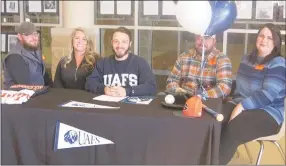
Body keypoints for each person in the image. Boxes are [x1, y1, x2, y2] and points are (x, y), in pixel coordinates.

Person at [219, 23, 285, 165]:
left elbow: (267, 95)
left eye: (270, 38)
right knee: (214, 118)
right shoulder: (246, 60)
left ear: (276, 43)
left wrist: (241, 106)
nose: (264, 40)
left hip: (268, 112)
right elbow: (238, 87)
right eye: (261, 35)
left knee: (235, 126)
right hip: (241, 104)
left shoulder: (278, 63)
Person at [85, 27, 157, 97]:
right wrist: (104, 89)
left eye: (124, 42)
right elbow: (89, 83)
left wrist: (127, 91)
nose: (119, 45)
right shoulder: (103, 63)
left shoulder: (140, 63)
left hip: (133, 108)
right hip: (108, 106)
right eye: (116, 41)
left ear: (130, 43)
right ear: (111, 43)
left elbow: (151, 87)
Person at [166, 34, 232, 99]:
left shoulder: (222, 59)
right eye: (198, 37)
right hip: (183, 102)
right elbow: (172, 79)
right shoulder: (183, 57)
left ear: (214, 41)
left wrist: (200, 97)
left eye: (206, 38)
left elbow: (224, 88)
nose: (202, 42)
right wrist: (176, 90)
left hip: (208, 104)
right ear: (195, 39)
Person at [3, 21, 53, 89]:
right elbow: (26, 85)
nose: (34, 38)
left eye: (35, 34)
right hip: (22, 97)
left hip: (38, 93)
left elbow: (44, 76)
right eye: (28, 35)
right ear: (19, 36)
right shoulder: (15, 57)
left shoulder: (36, 52)